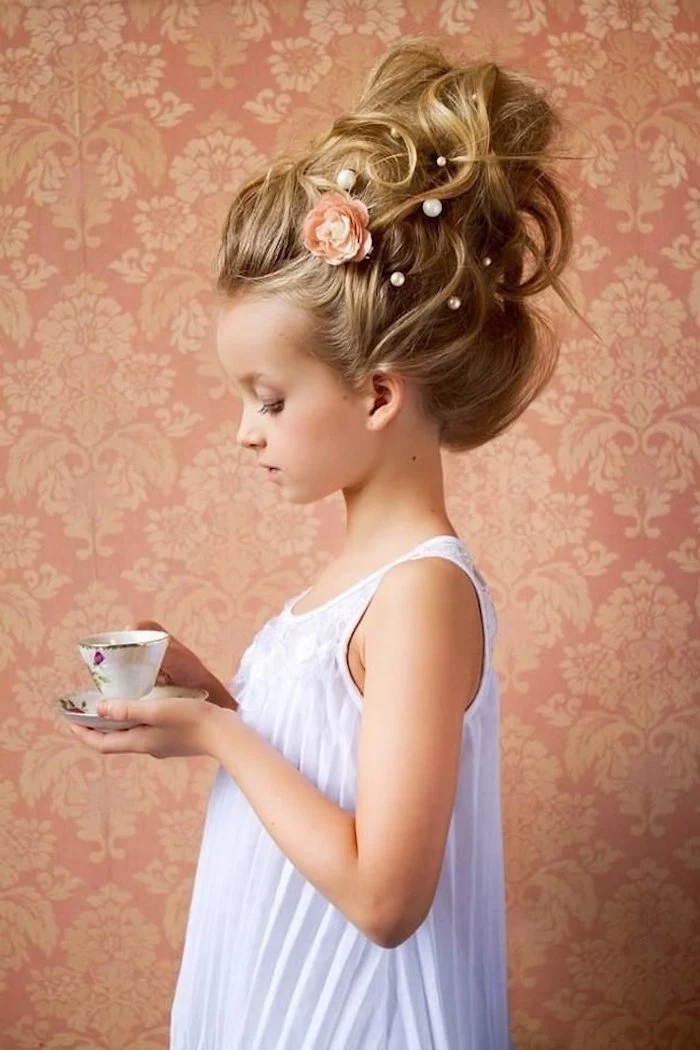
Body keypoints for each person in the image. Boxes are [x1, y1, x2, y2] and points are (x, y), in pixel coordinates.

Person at [70, 36, 581, 1050]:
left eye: (267, 399)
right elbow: (322, 770)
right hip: (274, 996)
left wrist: (219, 737)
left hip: (351, 1022)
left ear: (377, 393)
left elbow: (386, 898)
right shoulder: (349, 586)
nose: (244, 430)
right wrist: (204, 699)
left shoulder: (421, 593)